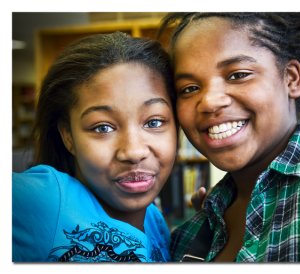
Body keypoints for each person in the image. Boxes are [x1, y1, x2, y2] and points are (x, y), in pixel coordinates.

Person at [158, 12, 300, 262]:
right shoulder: (188, 235)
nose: (210, 102)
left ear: (291, 78)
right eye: (189, 89)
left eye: (238, 75)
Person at [12, 32, 178, 262]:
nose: (133, 152)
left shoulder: (154, 219)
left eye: (154, 122)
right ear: (68, 135)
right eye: (102, 128)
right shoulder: (45, 198)